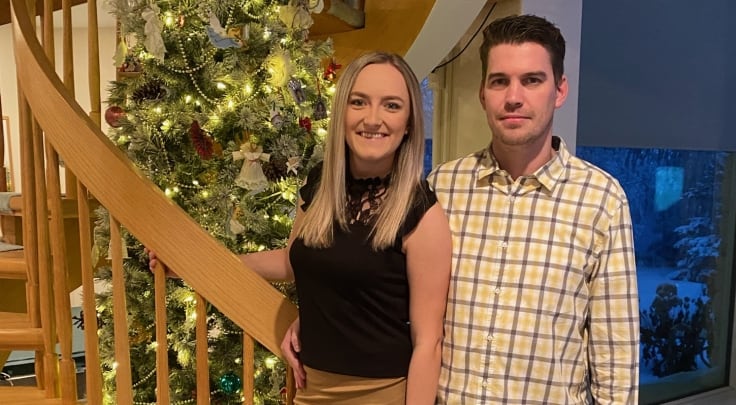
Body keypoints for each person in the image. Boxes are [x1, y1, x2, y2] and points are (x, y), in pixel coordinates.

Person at [282, 14, 640, 404]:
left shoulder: (600, 199)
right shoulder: (441, 188)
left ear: (559, 90)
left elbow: (615, 356)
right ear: (483, 93)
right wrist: (317, 313)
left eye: (532, 80)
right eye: (499, 81)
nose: (514, 96)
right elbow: (382, 282)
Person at [152, 51, 452, 404]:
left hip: (381, 393)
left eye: (391, 106)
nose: (373, 119)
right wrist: (197, 263)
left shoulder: (421, 211)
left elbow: (428, 343)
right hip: (312, 389)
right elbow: (292, 262)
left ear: (410, 123)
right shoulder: (321, 184)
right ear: (342, 113)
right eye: (359, 102)